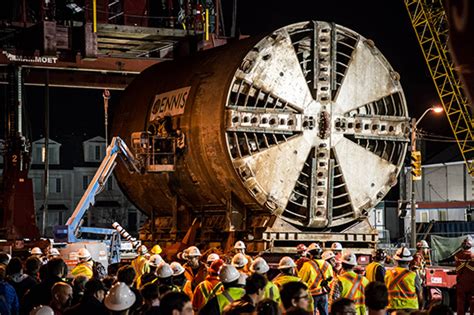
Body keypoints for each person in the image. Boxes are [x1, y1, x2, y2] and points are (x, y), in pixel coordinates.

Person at [298, 243, 333, 315]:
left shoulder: (307, 265)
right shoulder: (327, 264)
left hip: (312, 295)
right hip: (324, 293)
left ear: (310, 254)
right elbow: (331, 278)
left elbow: (301, 280)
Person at [385, 246, 422, 312]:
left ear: (396, 260)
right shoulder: (413, 275)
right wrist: (421, 309)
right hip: (410, 308)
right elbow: (420, 295)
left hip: (392, 308)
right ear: (408, 262)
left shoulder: (388, 273)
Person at [454, 236, 474, 315]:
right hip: (472, 282)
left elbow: (457, 269)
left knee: (461, 301)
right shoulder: (473, 256)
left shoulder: (457, 256)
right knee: (472, 299)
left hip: (461, 282)